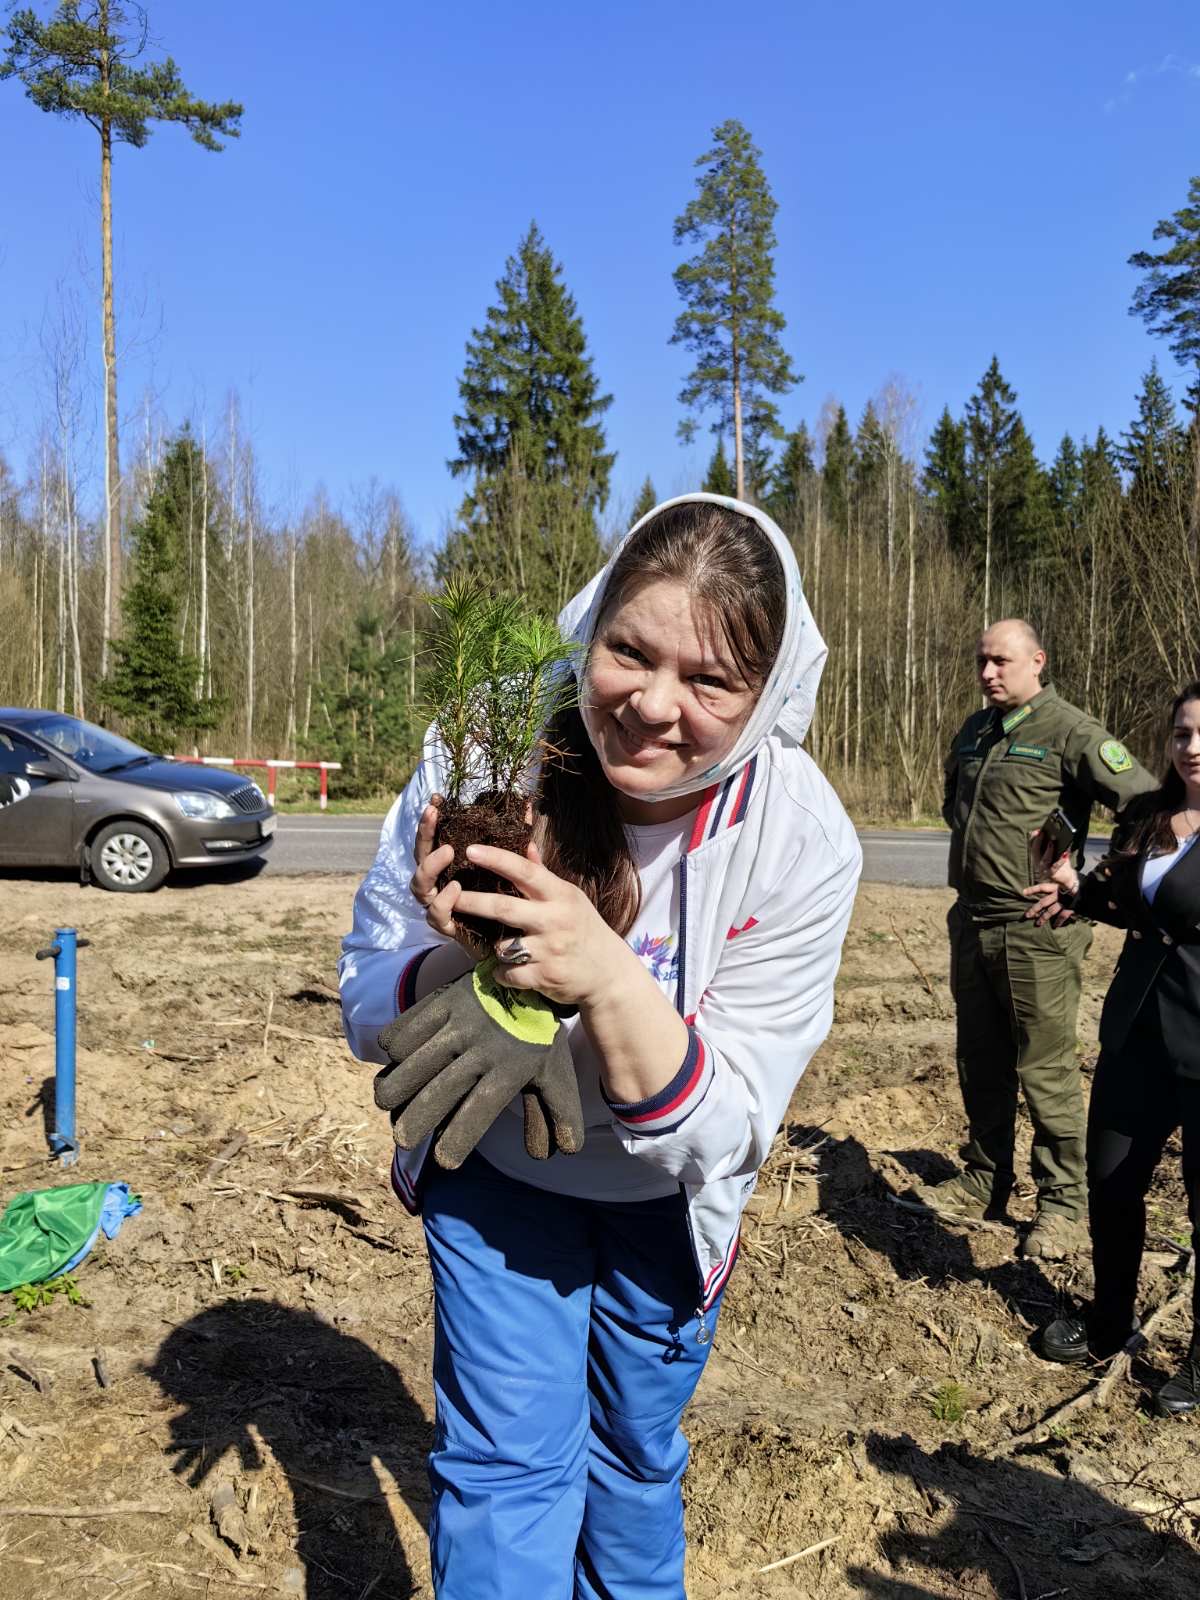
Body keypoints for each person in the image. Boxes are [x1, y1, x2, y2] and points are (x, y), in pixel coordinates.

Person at [339, 493, 862, 1599]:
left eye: (710, 681)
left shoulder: (797, 835)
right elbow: (365, 994)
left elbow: (726, 1128)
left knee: (631, 1466)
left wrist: (605, 974)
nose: (652, 705)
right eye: (630, 652)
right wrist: (467, 967)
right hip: (497, 1173)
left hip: (662, 1208)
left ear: (767, 694)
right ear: (590, 626)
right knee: (506, 1470)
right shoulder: (489, 747)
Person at [902, 619, 1155, 1260]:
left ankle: (1063, 1204)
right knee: (979, 1059)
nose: (988, 673)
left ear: (1037, 661)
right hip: (974, 921)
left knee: (1044, 1070)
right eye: (981, 661)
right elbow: (956, 807)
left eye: (1002, 661)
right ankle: (984, 1179)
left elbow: (1147, 807)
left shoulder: (1071, 732)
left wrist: (1092, 885)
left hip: (1036, 930)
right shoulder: (976, 730)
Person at [1029, 683, 1200, 1415]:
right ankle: (1108, 1321)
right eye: (1182, 733)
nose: (1192, 747)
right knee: (1113, 1183)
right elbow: (1127, 902)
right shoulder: (1151, 814)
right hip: (1137, 1033)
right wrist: (1074, 890)